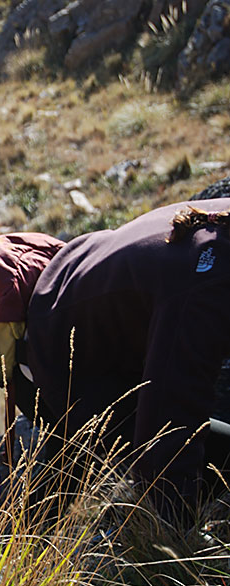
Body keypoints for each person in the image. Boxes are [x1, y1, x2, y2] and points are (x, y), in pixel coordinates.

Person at [14, 198, 230, 524]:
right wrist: (172, 550)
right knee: (144, 455)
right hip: (57, 342)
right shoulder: (205, 287)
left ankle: (25, 541)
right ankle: (26, 544)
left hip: (76, 291)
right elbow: (169, 421)